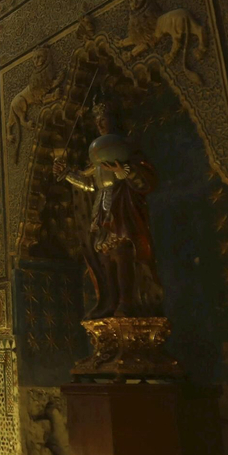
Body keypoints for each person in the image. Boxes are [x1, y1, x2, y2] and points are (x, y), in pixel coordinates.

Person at [53, 101, 162, 318]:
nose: (100, 124)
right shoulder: (98, 154)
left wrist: (125, 172)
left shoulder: (126, 148)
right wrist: (66, 173)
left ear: (113, 120)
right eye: (97, 121)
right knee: (105, 256)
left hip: (122, 203)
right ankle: (111, 302)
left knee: (122, 252)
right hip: (102, 205)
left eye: (103, 119)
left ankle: (126, 302)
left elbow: (145, 180)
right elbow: (89, 182)